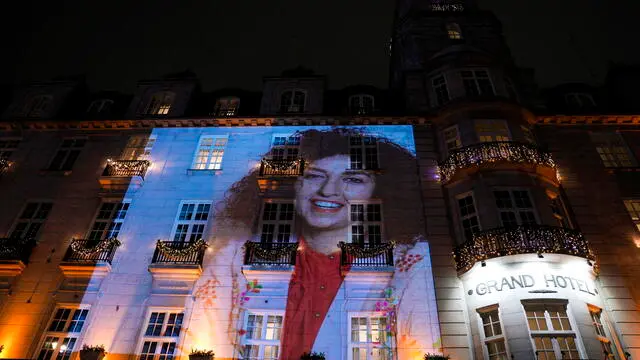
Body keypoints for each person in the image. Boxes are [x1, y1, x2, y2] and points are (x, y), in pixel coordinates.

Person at [216, 127, 427, 359]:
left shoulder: (413, 263)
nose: (328, 191)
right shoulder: (231, 257)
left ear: (379, 190)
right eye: (315, 175)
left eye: (353, 179)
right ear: (296, 185)